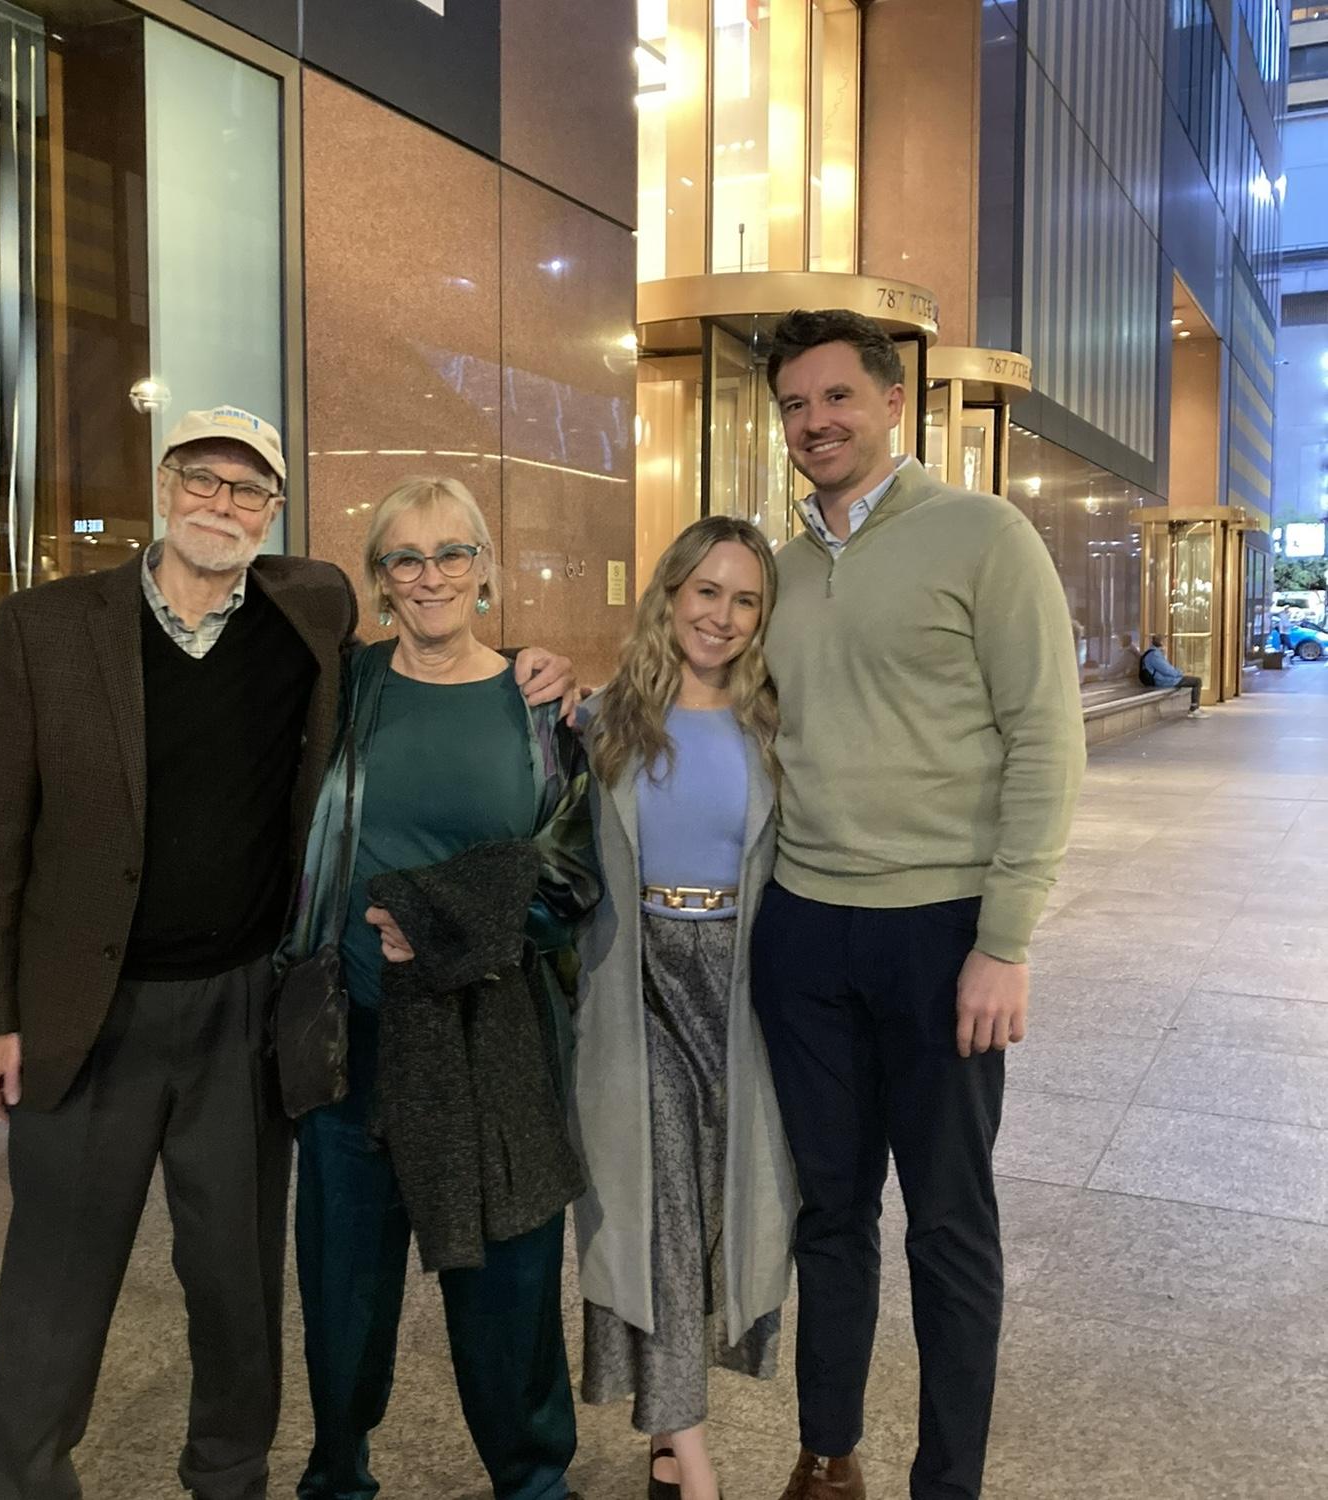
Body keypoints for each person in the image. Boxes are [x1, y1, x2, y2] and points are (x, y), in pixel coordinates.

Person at [0, 412, 574, 1500]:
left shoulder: (306, 618)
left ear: (277, 514)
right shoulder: (55, 626)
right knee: (58, 1285)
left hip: (253, 1013)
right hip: (97, 1012)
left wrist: (544, 662)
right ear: (162, 482)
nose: (222, 505)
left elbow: (552, 831)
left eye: (250, 492)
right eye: (202, 479)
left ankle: (232, 1480)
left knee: (238, 1288)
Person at [748, 310, 1086, 1500]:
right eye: (794, 405)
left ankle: (947, 1481)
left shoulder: (982, 535)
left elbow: (1046, 738)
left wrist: (1006, 941)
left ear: (895, 403)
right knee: (828, 1213)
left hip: (941, 933)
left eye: (836, 396)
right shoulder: (778, 566)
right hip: (801, 929)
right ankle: (827, 1453)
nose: (815, 422)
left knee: (948, 1222)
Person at [285, 475, 599, 1500]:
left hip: (496, 1033)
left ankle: (533, 1478)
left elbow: (575, 872)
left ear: (486, 570)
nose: (430, 577)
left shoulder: (539, 704)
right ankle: (338, 1475)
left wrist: (437, 918)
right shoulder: (344, 688)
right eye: (404, 559)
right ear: (378, 581)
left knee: (508, 1286)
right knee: (344, 1289)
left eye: (452, 553)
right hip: (357, 1040)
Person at [571, 516, 797, 1500]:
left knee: (723, 1204)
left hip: (746, 982)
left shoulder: (778, 722)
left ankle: (667, 1433)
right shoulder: (605, 719)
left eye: (746, 599)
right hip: (636, 981)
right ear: (669, 594)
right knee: (653, 1205)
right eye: (707, 591)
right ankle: (690, 1452)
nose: (724, 615)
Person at [1138, 634, 1204, 712]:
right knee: (1197, 681)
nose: (1166, 643)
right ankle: (1194, 709)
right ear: (1161, 642)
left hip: (1163, 679)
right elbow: (1166, 670)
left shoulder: (1153, 652)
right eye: (1164, 641)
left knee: (1192, 680)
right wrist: (1179, 673)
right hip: (1163, 680)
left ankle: (1194, 708)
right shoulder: (1154, 655)